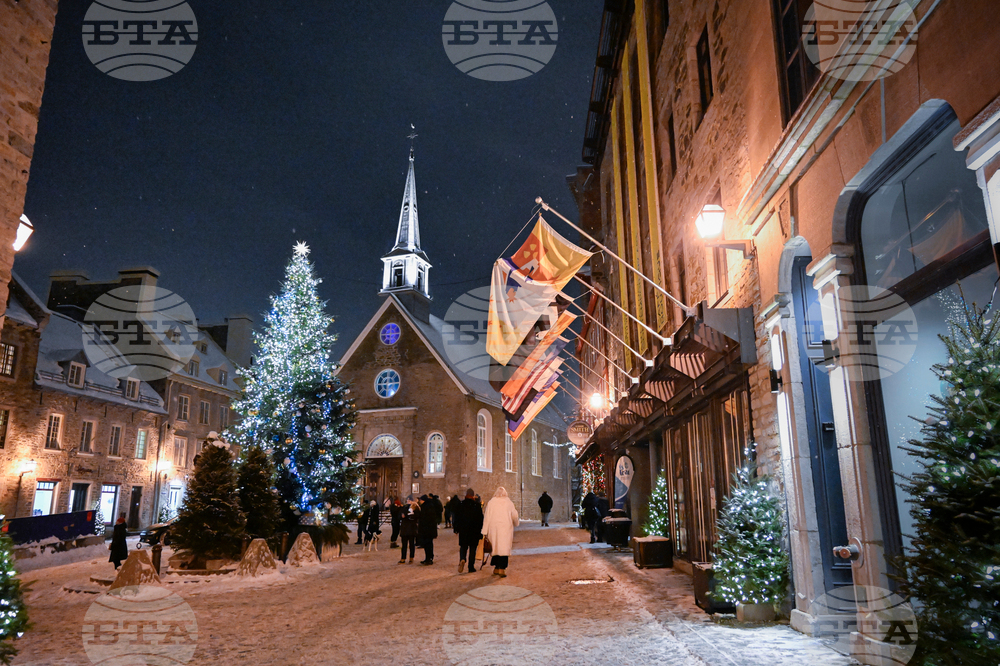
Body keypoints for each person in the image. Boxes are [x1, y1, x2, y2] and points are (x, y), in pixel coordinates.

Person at [481, 486, 519, 578]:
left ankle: (497, 567)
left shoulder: (491, 503)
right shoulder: (508, 503)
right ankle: (502, 568)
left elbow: (487, 517)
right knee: (504, 549)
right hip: (505, 529)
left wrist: (484, 531)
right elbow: (515, 515)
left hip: (493, 529)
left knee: (495, 547)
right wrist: (516, 523)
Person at [454, 488, 483, 574]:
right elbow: (480, 519)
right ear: (473, 495)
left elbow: (457, 517)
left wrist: (456, 528)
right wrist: (481, 530)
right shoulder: (477, 505)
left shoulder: (461, 504)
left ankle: (462, 558)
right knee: (473, 549)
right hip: (474, 531)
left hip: (463, 530)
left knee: (463, 546)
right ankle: (471, 567)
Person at [418, 494, 439, 565]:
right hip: (428, 530)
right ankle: (428, 558)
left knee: (428, 544)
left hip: (427, 530)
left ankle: (429, 558)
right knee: (428, 544)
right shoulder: (428, 506)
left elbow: (426, 519)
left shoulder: (427, 507)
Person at [398, 496, 420, 564]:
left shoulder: (416, 508)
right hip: (405, 528)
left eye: (409, 500)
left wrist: (407, 516)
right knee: (404, 544)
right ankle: (403, 558)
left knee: (411, 544)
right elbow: (400, 516)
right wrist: (403, 516)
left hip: (411, 528)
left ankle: (411, 557)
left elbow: (416, 516)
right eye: (407, 500)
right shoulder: (404, 507)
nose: (408, 501)